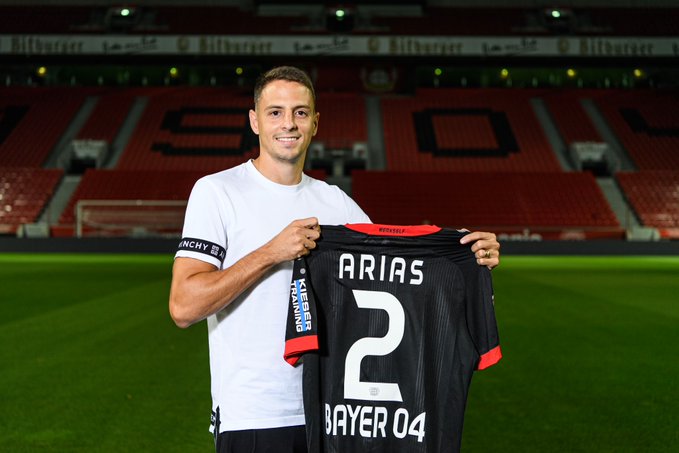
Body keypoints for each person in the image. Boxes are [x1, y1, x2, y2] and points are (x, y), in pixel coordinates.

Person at [169, 65, 500, 453]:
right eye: (275, 112)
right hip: (256, 415)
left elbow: (396, 276)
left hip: (335, 413)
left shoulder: (337, 203)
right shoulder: (217, 192)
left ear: (315, 123)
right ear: (255, 121)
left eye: (300, 112)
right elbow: (184, 307)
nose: (288, 124)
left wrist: (463, 256)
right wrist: (273, 252)